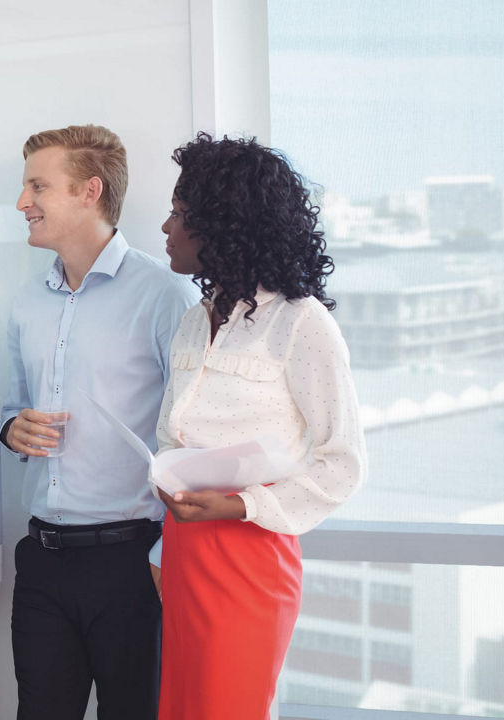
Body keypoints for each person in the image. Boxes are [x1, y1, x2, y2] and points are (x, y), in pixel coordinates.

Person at [155, 133, 366, 719]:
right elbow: (175, 437)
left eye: (178, 214)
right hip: (181, 552)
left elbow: (343, 464)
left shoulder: (302, 325)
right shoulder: (196, 322)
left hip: (249, 559)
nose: (166, 227)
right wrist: (165, 480)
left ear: (222, 225)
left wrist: (238, 506)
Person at [0, 125, 198, 719]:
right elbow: (13, 403)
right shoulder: (27, 301)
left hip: (133, 567)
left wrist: (166, 559)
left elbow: (191, 436)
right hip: (42, 562)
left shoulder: (167, 297)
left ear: (90, 191)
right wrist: (12, 428)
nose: (21, 202)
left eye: (37, 185)